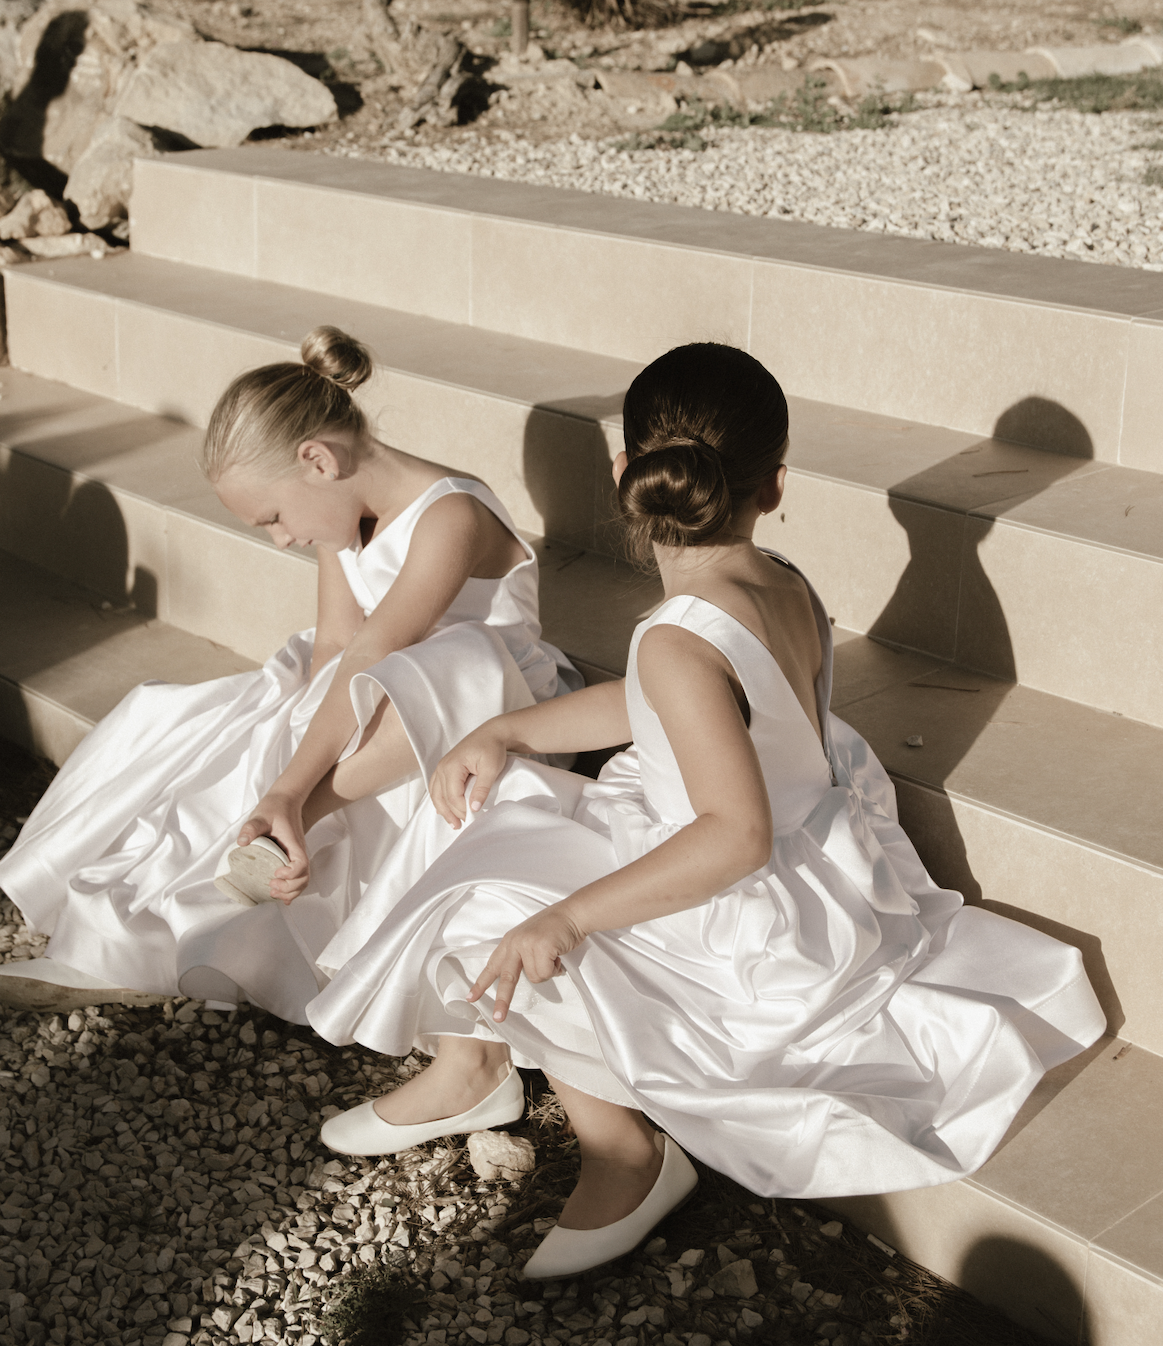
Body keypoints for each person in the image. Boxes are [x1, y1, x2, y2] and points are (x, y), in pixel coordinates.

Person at [308, 343, 1106, 1280]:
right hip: (813, 867)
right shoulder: (783, 581)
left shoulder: (677, 641)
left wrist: (567, 918)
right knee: (514, 813)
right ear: (775, 484)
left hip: (751, 915)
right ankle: (471, 1074)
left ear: (625, 471)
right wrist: (509, 728)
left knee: (492, 900)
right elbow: (658, 703)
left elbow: (734, 833)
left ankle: (624, 1156)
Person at [0, 326, 578, 1022]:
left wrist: (294, 787)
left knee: (441, 666)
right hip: (387, 691)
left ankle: (282, 836)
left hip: (485, 706)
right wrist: (292, 738)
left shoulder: (451, 515)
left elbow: (375, 651)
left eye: (273, 517)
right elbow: (337, 644)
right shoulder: (342, 519)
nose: (282, 538)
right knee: (223, 715)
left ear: (317, 460)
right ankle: (157, 919)